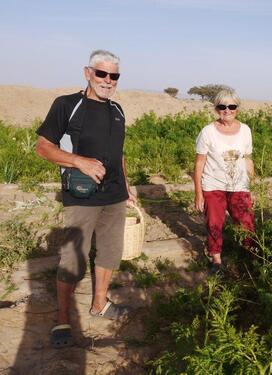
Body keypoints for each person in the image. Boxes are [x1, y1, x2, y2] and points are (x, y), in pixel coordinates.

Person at [35, 49, 137, 348]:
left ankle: (100, 304)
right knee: (74, 258)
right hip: (81, 196)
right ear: (87, 73)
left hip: (114, 196)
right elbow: (43, 147)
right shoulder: (68, 105)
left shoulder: (118, 110)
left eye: (114, 75)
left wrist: (127, 189)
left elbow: (119, 155)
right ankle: (62, 319)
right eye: (101, 73)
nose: (108, 80)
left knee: (109, 252)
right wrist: (79, 161)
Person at [194, 89, 255, 274]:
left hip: (239, 186)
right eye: (222, 106)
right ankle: (216, 260)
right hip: (213, 186)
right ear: (216, 108)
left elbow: (248, 159)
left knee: (246, 222)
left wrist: (253, 187)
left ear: (238, 108)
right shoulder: (208, 132)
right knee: (214, 222)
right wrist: (198, 193)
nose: (227, 110)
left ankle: (251, 256)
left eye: (231, 106)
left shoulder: (245, 130)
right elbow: (199, 163)